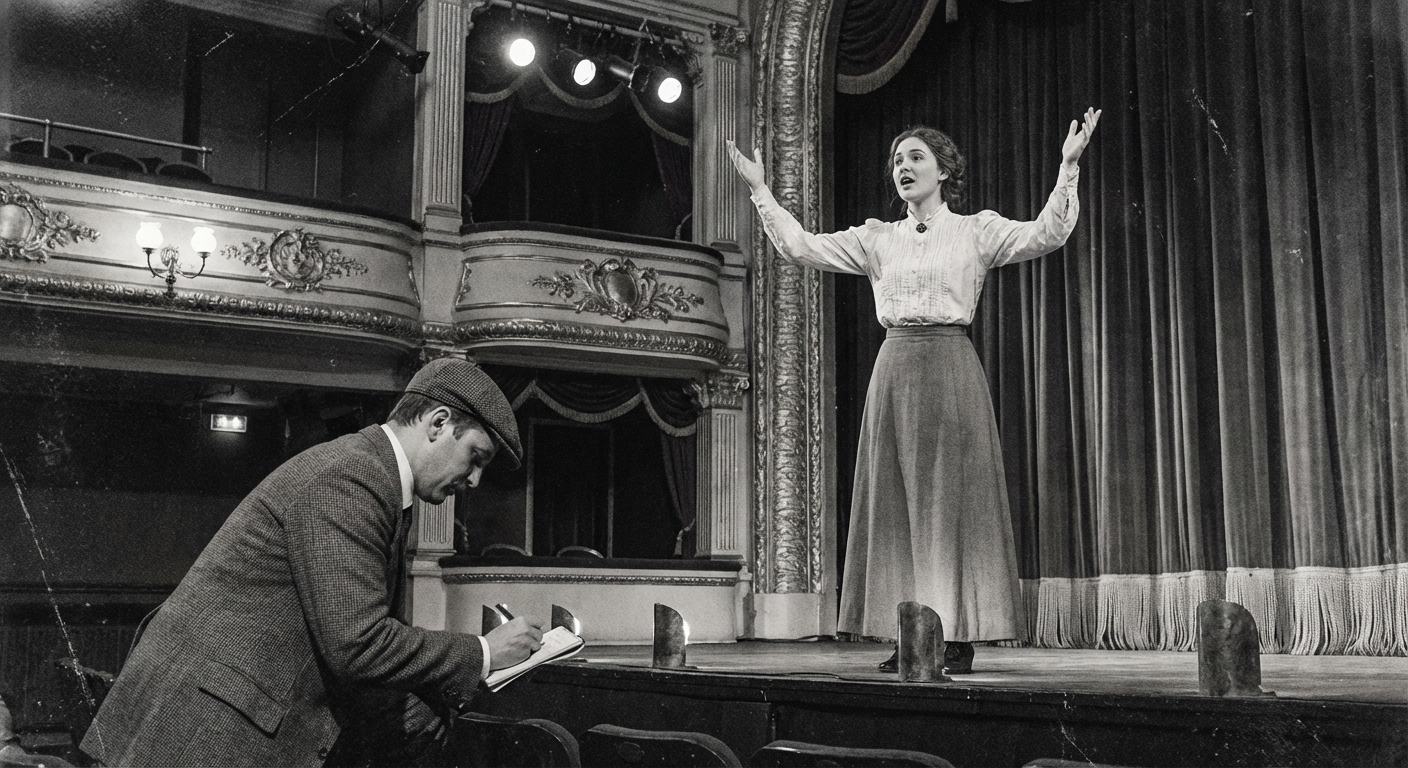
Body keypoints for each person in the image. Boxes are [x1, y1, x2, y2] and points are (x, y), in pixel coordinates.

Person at [728, 108, 1100, 673]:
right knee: (897, 505)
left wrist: (1067, 169)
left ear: (943, 170)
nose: (904, 167)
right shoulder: (878, 238)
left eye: (916, 157)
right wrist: (761, 191)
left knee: (952, 503)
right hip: (895, 368)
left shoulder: (976, 229)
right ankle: (912, 628)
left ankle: (954, 633)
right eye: (898, 160)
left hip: (951, 368)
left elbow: (1046, 234)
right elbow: (801, 247)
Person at [80, 358, 544, 766]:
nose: (476, 480)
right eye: (476, 457)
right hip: (203, 738)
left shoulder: (369, 476)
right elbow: (358, 645)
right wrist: (484, 652)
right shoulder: (353, 477)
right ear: (438, 423)